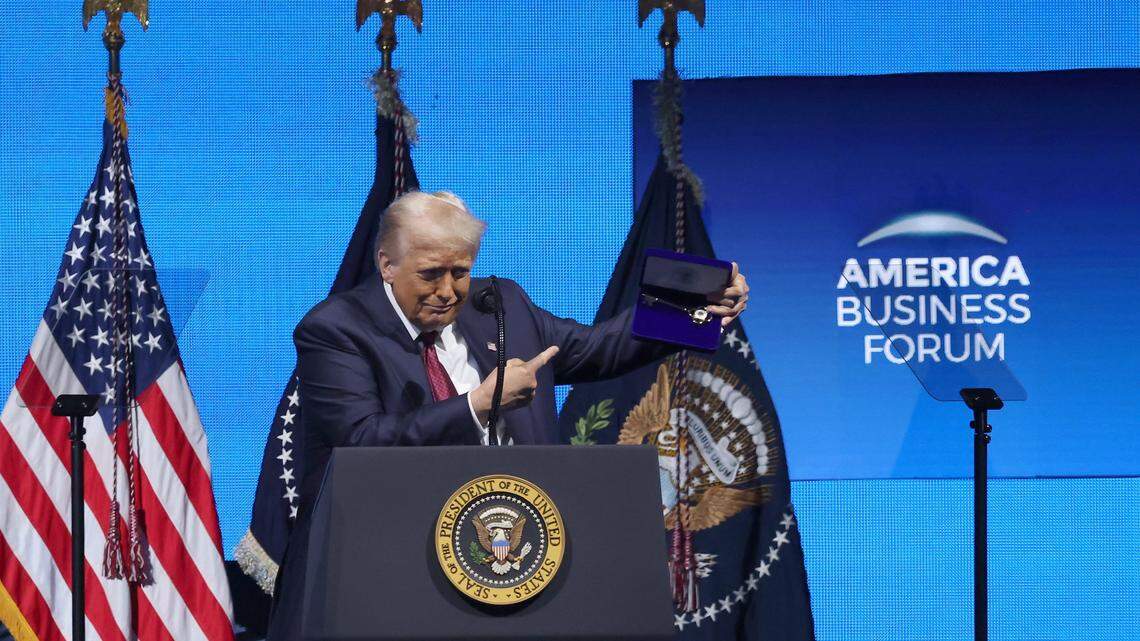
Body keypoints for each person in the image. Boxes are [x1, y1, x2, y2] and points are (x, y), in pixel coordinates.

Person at [265, 190, 748, 639]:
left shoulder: (500, 306)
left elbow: (598, 348)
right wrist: (477, 404)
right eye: (431, 274)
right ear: (387, 264)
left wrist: (695, 307)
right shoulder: (336, 329)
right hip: (382, 570)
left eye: (460, 271)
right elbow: (359, 442)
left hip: (514, 569)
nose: (448, 291)